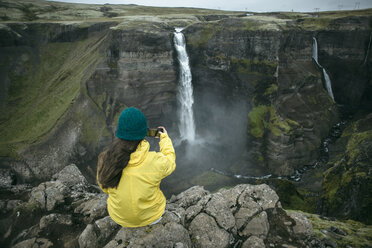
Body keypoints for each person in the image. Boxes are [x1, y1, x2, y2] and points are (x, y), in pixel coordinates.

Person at [96, 107, 176, 227]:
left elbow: (105, 187)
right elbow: (170, 161)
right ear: (144, 133)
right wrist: (164, 138)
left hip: (119, 218)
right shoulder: (154, 161)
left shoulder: (106, 159)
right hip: (152, 217)